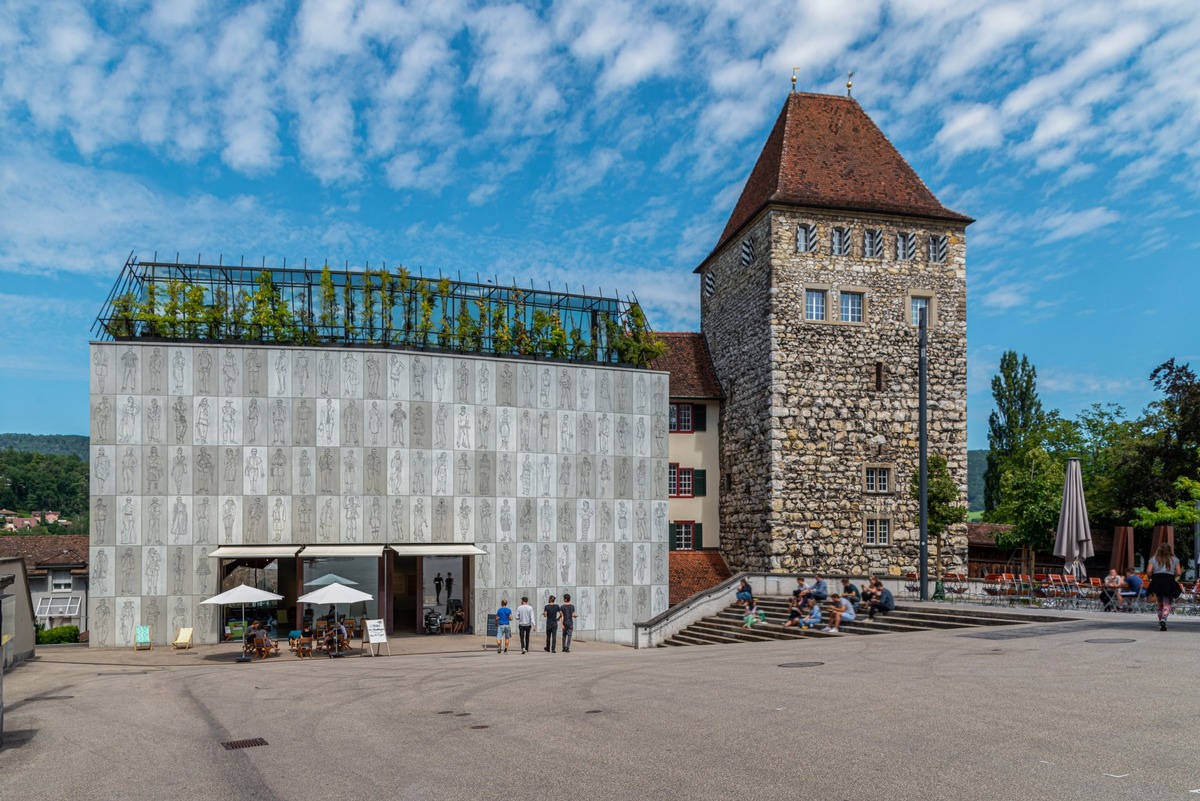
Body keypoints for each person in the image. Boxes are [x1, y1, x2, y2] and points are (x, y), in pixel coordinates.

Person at [1147, 542, 1182, 631]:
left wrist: (1152, 576)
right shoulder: (1175, 559)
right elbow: (1178, 573)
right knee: (1167, 601)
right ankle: (1164, 619)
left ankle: (1160, 621)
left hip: (1157, 580)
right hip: (1169, 580)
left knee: (1159, 601)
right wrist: (1172, 575)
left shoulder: (1153, 559)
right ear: (1170, 550)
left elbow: (1148, 571)